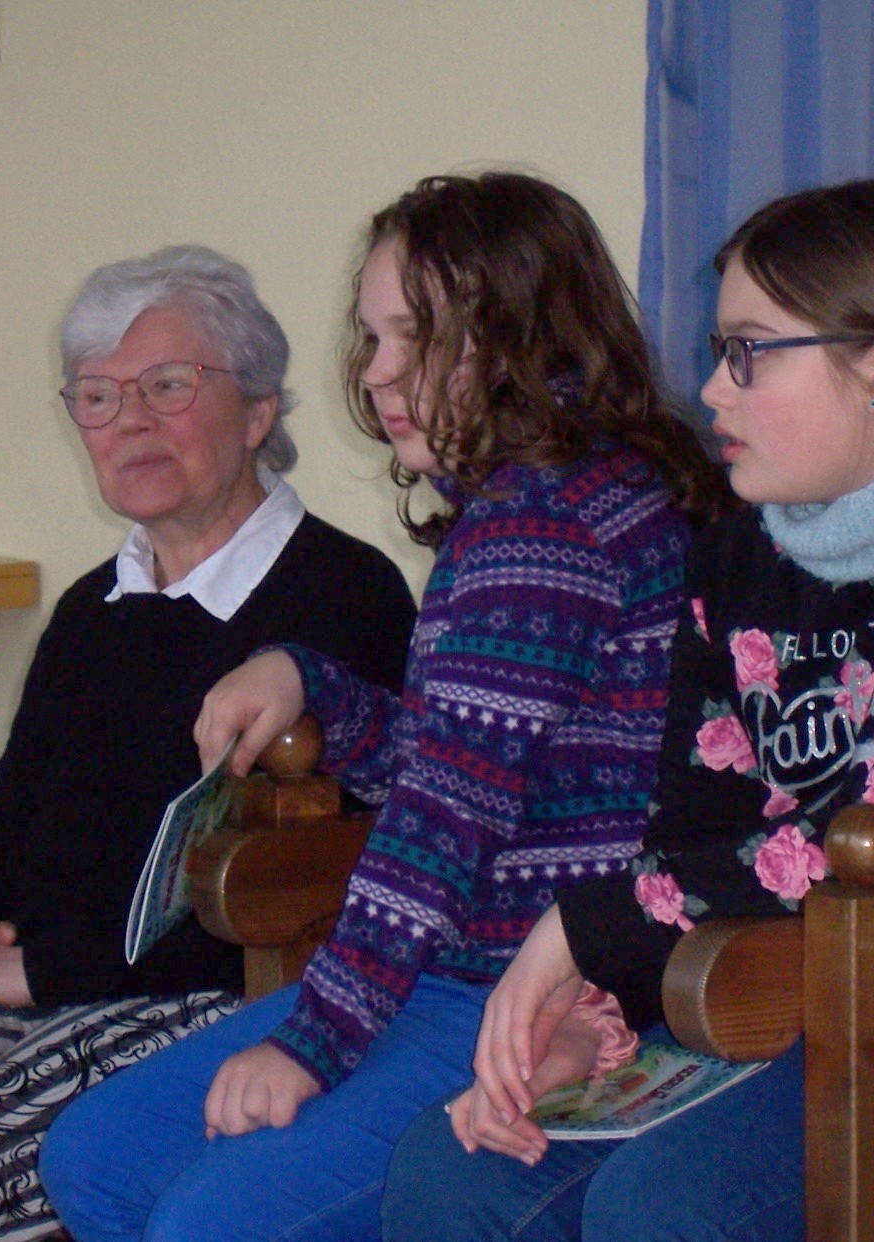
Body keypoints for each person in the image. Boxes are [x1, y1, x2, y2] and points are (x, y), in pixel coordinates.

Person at [381, 178, 874, 1241]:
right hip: (788, 995)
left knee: (668, 1208)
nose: (712, 389)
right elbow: (695, 835)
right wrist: (595, 1021)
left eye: (750, 353)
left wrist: (585, 928)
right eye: (720, 352)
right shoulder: (738, 555)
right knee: (455, 1172)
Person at [37, 170, 733, 1242]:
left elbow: (438, 827)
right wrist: (309, 680)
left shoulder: (543, 526)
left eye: (418, 337)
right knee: (96, 1155)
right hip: (458, 968)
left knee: (204, 1219)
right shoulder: (533, 498)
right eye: (372, 337)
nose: (379, 373)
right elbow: (457, 757)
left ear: (525, 338)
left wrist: (310, 1046)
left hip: (528, 990)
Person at [0, 244, 417, 1242]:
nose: (130, 422)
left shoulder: (343, 597)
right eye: (98, 396)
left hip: (226, 1003)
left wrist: (46, 974)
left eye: (167, 385)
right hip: (46, 986)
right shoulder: (91, 609)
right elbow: (9, 828)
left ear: (257, 410)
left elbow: (320, 887)